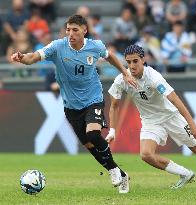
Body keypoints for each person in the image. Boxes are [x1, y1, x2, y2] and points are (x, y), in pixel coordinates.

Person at [11, 14, 136, 192]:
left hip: (93, 98)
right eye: (68, 30)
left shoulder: (95, 46)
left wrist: (124, 72)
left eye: (75, 30)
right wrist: (22, 57)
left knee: (93, 134)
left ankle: (114, 170)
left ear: (84, 31)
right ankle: (121, 174)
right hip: (71, 105)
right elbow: (33, 58)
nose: (70, 33)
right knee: (90, 146)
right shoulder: (57, 46)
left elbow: (110, 56)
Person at [106, 44, 196, 190]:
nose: (131, 66)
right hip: (151, 122)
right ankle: (185, 174)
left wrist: (192, 124)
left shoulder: (154, 78)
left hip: (171, 117)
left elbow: (175, 99)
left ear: (143, 60)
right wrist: (112, 130)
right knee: (146, 155)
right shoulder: (122, 79)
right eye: (128, 62)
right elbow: (114, 105)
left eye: (135, 61)